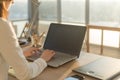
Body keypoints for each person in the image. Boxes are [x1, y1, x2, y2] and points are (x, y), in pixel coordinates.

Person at [0, 0, 55, 80]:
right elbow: (25, 74)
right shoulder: (2, 25)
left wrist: (20, 54)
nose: (13, 2)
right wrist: (43, 59)